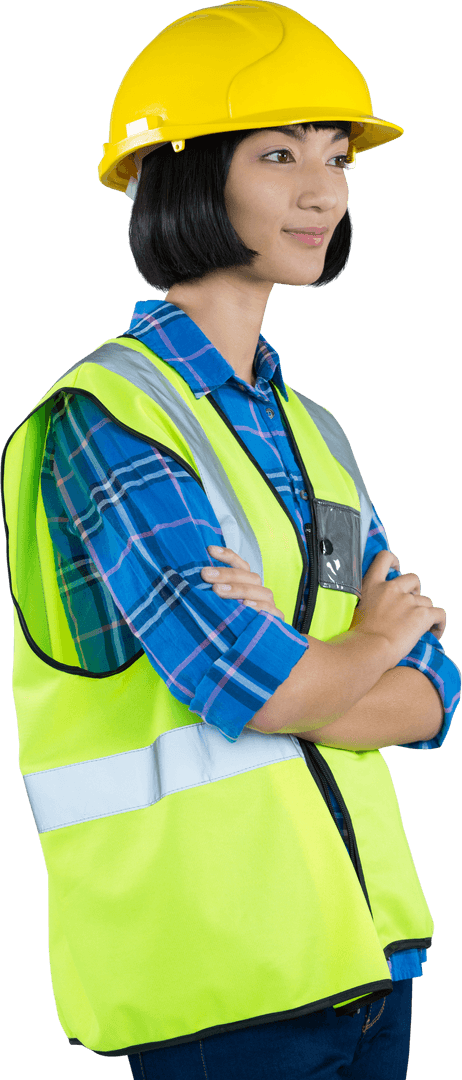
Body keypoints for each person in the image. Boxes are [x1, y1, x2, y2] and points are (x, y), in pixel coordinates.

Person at [1, 3, 460, 1079]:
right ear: (186, 178)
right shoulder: (109, 422)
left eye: (337, 158)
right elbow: (250, 692)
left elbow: (436, 692)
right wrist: (359, 650)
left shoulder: (314, 434)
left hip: (366, 957)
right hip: (220, 981)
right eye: (278, 155)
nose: (323, 191)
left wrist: (337, 663)